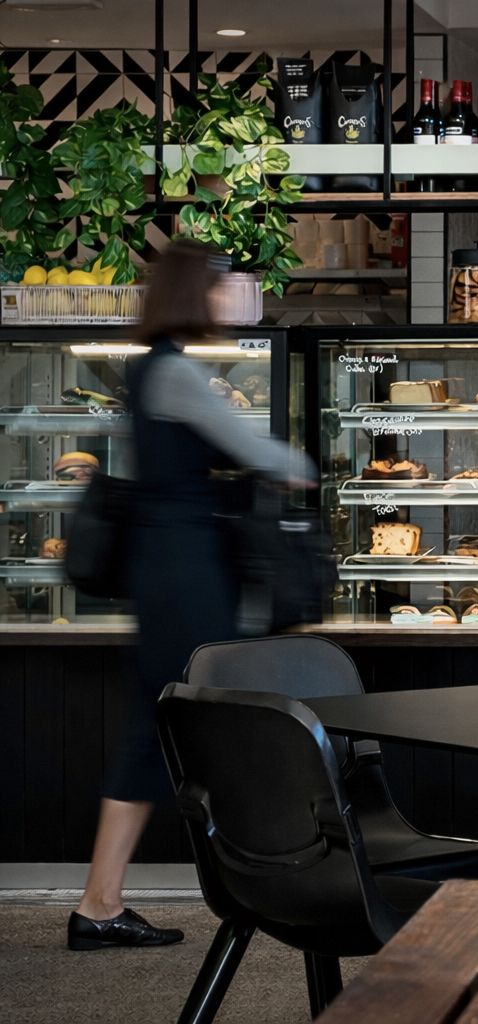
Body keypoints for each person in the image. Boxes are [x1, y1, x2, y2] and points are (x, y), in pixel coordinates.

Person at [68, 242, 315, 951]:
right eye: (214, 290)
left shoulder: (152, 369)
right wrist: (299, 466)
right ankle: (123, 899)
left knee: (165, 728)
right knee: (184, 724)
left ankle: (103, 902)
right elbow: (262, 452)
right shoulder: (173, 372)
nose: (221, 303)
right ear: (189, 295)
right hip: (183, 574)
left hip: (170, 567)